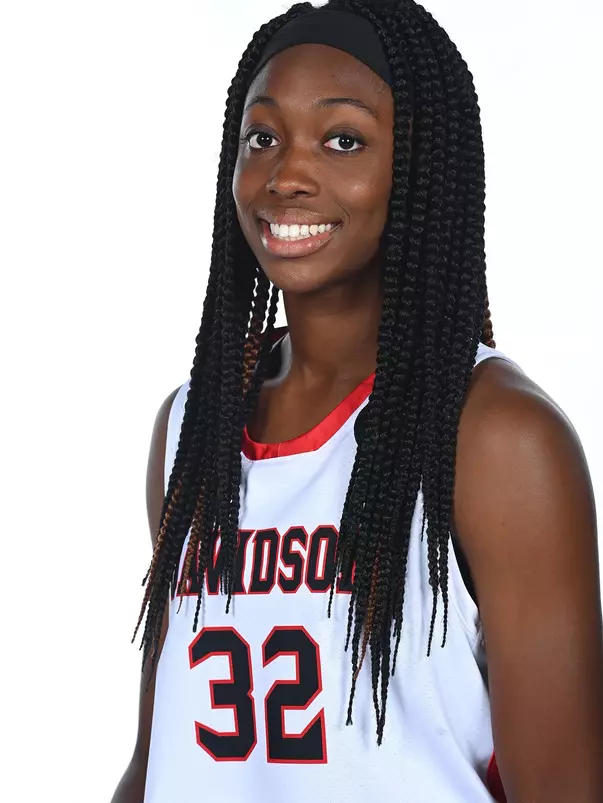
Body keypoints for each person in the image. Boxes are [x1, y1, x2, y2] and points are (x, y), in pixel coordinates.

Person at [111, 1, 603, 801]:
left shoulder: (495, 437)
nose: (286, 175)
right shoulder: (192, 426)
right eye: (261, 137)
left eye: (342, 140)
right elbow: (157, 759)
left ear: (419, 171)